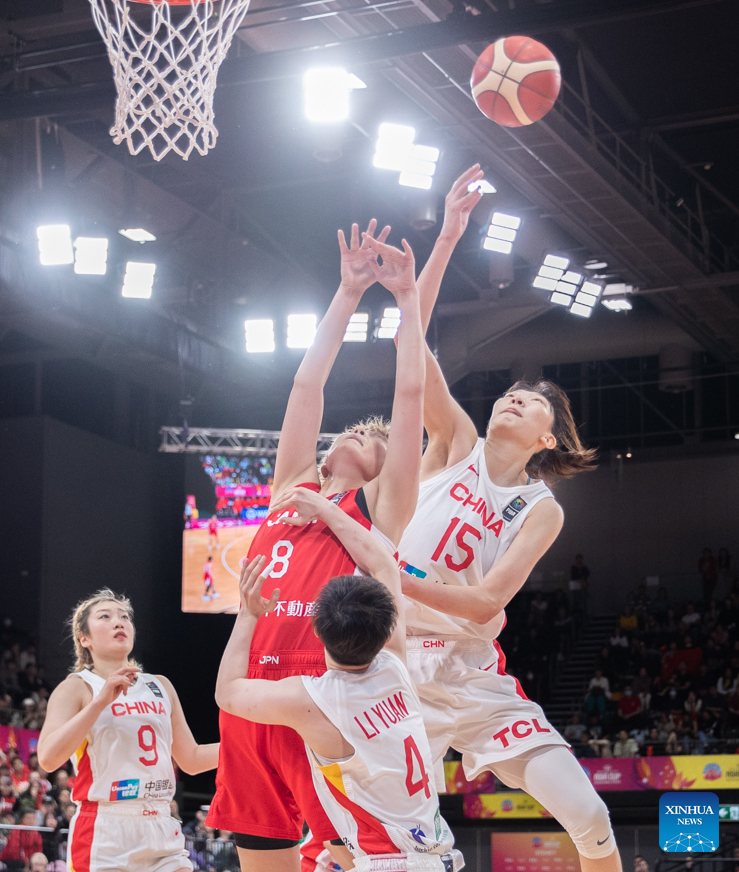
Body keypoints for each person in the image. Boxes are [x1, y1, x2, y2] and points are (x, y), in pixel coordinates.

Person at [395, 166, 620, 872]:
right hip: (396, 666)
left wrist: (390, 574)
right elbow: (411, 347)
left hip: (468, 671)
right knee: (399, 850)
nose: (513, 399)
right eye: (510, 393)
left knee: (588, 814)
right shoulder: (455, 442)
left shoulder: (539, 508)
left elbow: (489, 600)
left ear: (548, 439)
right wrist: (446, 239)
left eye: (532, 402)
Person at [207, 221, 425, 872]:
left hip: (319, 697)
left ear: (387, 469)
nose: (358, 430)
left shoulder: (377, 508)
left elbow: (408, 398)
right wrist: (347, 293)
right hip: (251, 690)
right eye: (354, 426)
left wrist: (408, 301)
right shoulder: (291, 487)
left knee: (341, 856)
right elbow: (306, 388)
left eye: (372, 436)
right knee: (263, 858)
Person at [215, 502, 459, 872]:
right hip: (439, 857)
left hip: (388, 863)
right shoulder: (395, 668)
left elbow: (228, 692)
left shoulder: (316, 699)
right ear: (388, 630)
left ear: (316, 633)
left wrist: (249, 613)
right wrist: (327, 511)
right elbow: (383, 565)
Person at [37, 589, 219, 872]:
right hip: (105, 828)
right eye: (105, 616)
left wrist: (249, 745)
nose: (119, 622)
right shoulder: (76, 687)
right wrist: (100, 702)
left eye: (124, 617)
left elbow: (192, 759)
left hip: (160, 821)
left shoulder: (160, 685)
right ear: (84, 639)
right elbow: (48, 758)